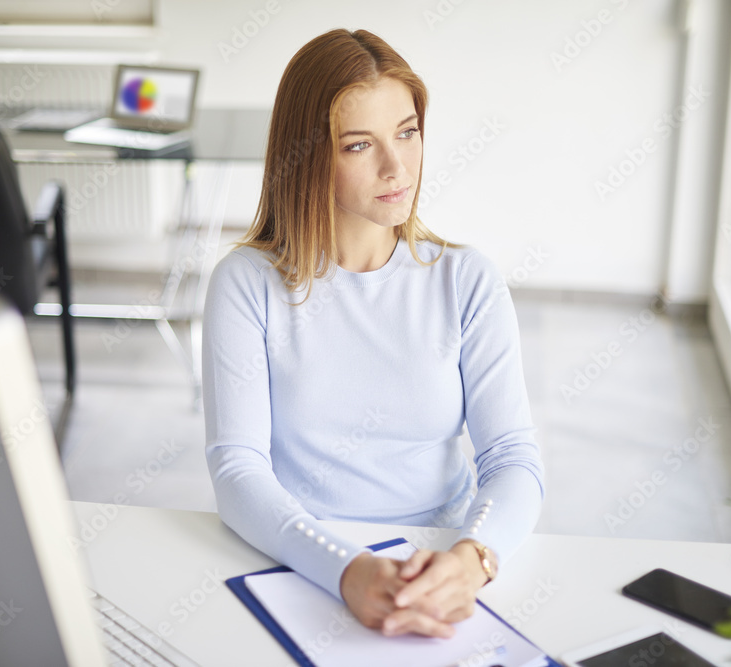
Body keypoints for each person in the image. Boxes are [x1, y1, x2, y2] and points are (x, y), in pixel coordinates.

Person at [202, 28, 543, 639]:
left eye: (407, 132)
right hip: (301, 562)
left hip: (440, 560)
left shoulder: (466, 281)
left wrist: (473, 558)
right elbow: (238, 470)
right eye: (359, 145)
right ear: (306, 155)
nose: (397, 167)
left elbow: (511, 457)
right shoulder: (247, 283)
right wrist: (346, 571)